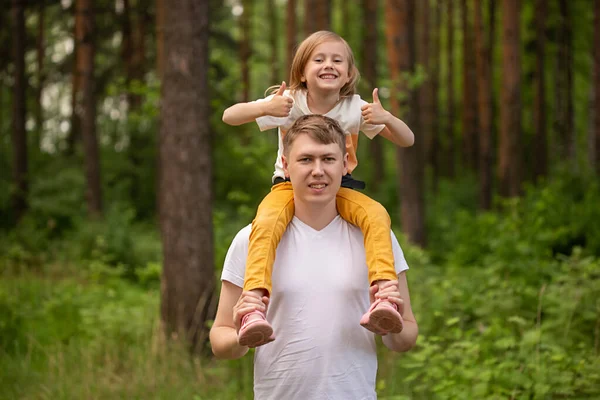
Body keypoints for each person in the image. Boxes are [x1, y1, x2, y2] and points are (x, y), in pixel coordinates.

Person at [222, 30, 415, 347]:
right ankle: (254, 306)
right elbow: (229, 116)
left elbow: (407, 140)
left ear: (349, 73)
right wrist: (264, 108)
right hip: (288, 187)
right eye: (319, 59)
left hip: (343, 186)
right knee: (266, 222)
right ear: (302, 71)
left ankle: (384, 296)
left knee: (377, 214)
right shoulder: (289, 102)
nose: (329, 65)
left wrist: (386, 118)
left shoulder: (354, 107)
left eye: (337, 60)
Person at [210, 115, 418, 399]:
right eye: (306, 159)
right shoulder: (251, 239)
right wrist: (239, 336)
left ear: (345, 163)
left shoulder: (377, 239)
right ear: (285, 164)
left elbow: (406, 336)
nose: (318, 171)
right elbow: (220, 340)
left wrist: (391, 328)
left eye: (328, 159)